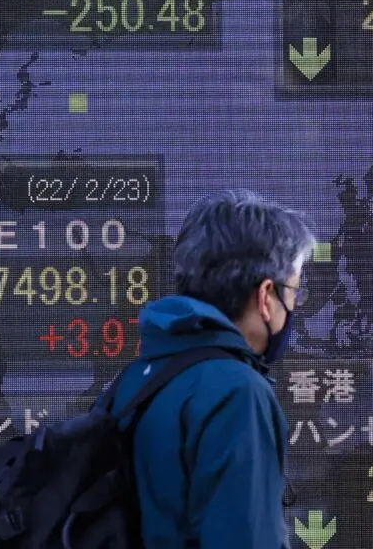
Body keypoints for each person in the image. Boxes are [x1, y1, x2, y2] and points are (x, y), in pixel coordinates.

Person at [108, 190, 315, 548]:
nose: (293, 305)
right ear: (267, 296)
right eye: (294, 291)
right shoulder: (237, 392)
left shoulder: (133, 381)